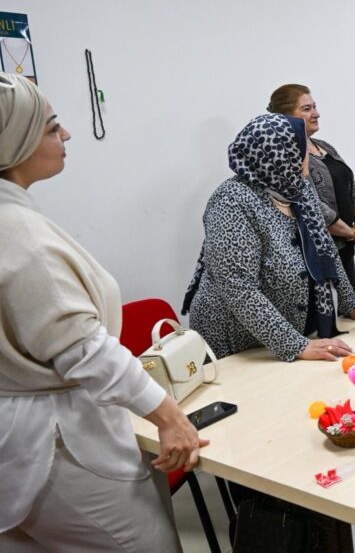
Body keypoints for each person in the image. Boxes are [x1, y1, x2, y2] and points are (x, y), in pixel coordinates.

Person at [0, 74, 205, 551]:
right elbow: (85, 351)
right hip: (60, 447)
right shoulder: (21, 238)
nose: (66, 135)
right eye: (52, 128)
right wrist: (169, 417)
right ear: (16, 142)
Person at [183, 113, 355, 362]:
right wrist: (296, 345)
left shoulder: (298, 187)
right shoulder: (232, 201)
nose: (308, 155)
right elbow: (239, 288)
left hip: (286, 334)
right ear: (279, 155)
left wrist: (353, 305)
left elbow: (325, 250)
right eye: (301, 149)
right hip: (235, 342)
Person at [268, 84, 355, 289]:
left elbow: (352, 184)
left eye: (315, 106)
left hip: (346, 247)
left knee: (350, 313)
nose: (316, 114)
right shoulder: (285, 157)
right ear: (285, 117)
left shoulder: (324, 146)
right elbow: (309, 204)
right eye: (307, 109)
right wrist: (350, 232)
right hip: (316, 253)